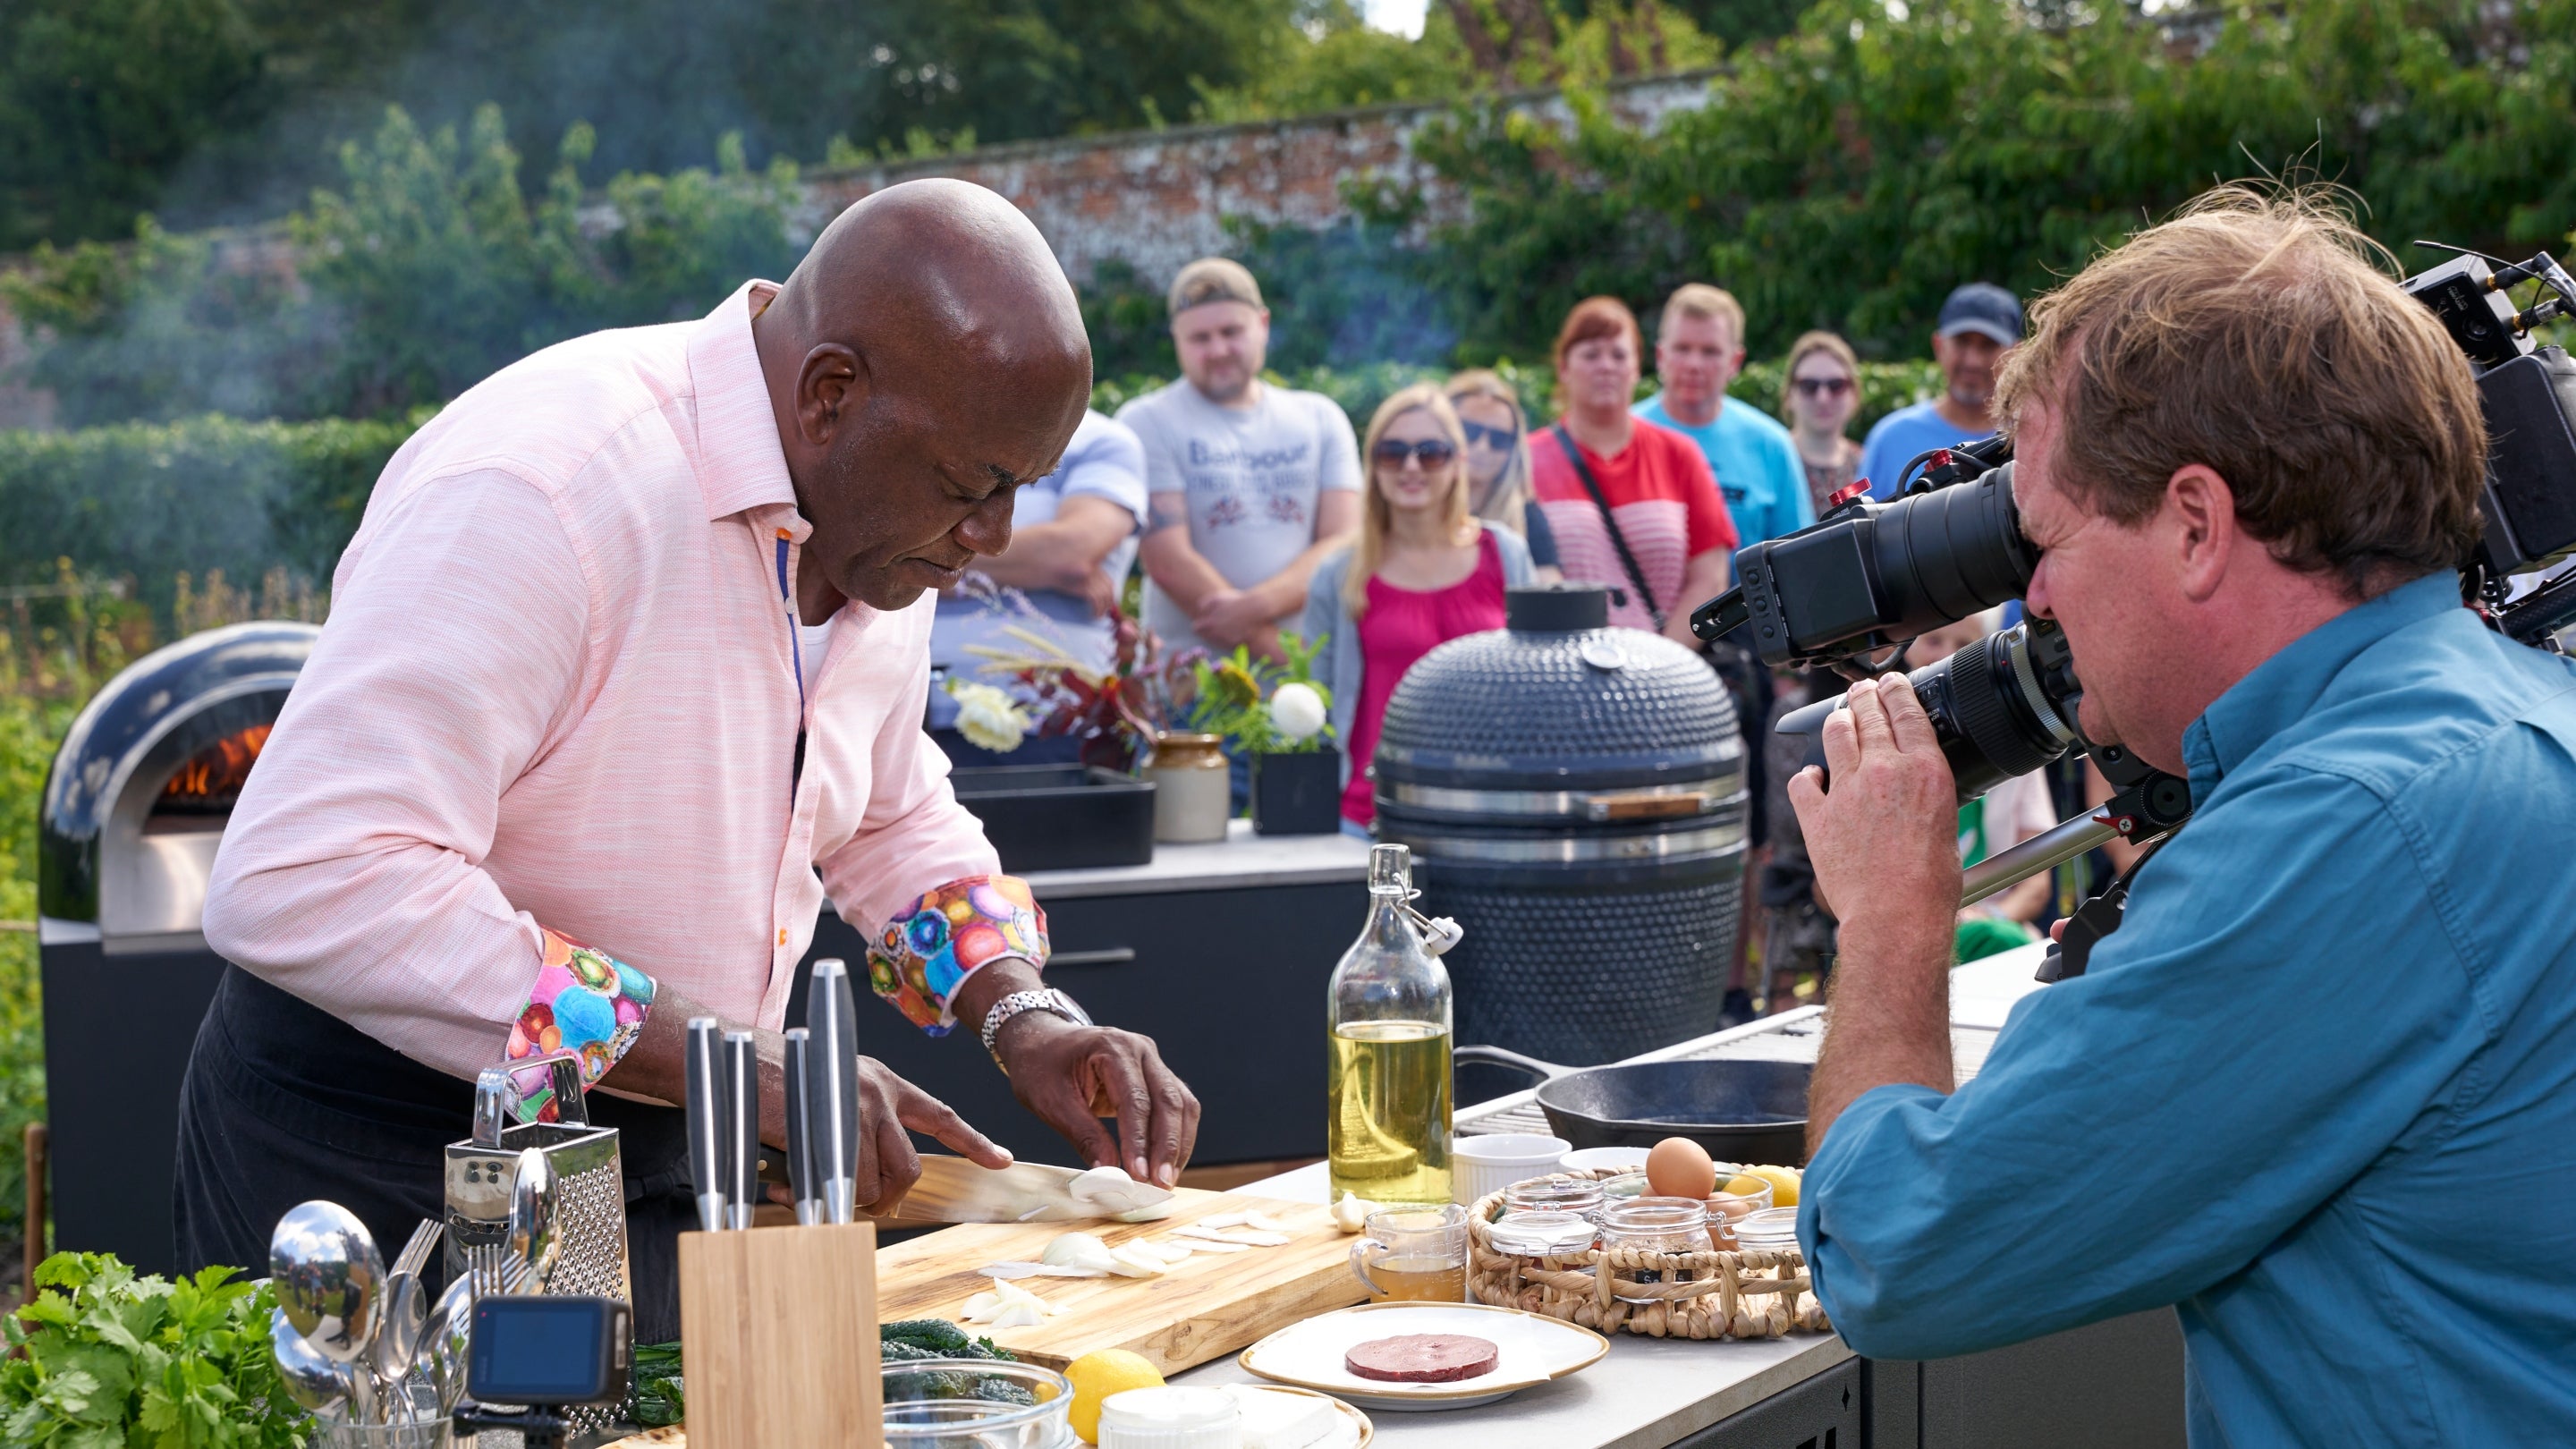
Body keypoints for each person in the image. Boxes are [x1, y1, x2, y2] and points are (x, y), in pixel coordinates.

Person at [183, 180, 1201, 1341]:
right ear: (830, 396)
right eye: (976, 488)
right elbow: (310, 875)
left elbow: (879, 806)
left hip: (633, 1141)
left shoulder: (884, 512)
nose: (996, 540)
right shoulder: (543, 489)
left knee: (629, 1427)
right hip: (388, 1150)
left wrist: (1021, 1009)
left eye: (1022, 489)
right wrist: (730, 1060)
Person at [1789, 188, 2576, 1442]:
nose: (2033, 597)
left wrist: (1890, 915)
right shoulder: (2511, 713)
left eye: (2040, 538)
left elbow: (1896, 1252)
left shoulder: (2347, 827)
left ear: (2200, 527)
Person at [1301, 385, 1538, 833]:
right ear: (1372, 466)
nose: (1411, 466)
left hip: (1491, 812)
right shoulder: (1339, 573)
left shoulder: (1505, 554)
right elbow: (1319, 700)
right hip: (1370, 816)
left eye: (1430, 452)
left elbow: (1536, 687)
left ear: (1458, 463)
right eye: (1392, 453)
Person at [1123, 258, 1363, 664]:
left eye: (1231, 332)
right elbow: (1167, 561)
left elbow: (1341, 543)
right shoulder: (1147, 420)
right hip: (1195, 687)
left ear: (1263, 325)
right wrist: (1288, 665)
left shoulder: (1321, 417)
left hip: (1307, 679)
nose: (1217, 350)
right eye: (1199, 338)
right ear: (1176, 338)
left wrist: (1252, 611)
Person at [928, 408, 1148, 765]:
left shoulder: (1103, 440)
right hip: (919, 714)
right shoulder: (926, 425)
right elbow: (875, 551)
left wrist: (930, 557)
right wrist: (1041, 563)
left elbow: (1069, 553)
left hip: (1061, 720)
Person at [1527, 296, 1738, 649]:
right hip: (1557, 678)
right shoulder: (1528, 460)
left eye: (1619, 355)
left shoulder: (1679, 455)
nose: (1606, 366)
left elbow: (1710, 579)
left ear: (1637, 367)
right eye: (1591, 355)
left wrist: (1660, 666)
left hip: (1663, 675)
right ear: (1564, 368)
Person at [1634, 284, 1815, 545]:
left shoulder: (1770, 444)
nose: (1694, 365)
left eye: (1710, 352)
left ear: (1735, 361)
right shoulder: (1623, 436)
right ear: (1660, 355)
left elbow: (1800, 558)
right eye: (1682, 349)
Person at [1857, 282, 2021, 499]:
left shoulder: (2030, 437)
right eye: (1961, 343)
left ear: (2016, 353)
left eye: (1988, 345)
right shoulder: (1890, 439)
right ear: (1939, 346)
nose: (1973, 360)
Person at [1442, 369, 1562, 580]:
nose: (1482, 447)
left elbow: (1549, 594)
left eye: (1499, 439)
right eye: (1470, 430)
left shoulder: (1527, 516)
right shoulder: (1411, 506)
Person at [1781, 330, 1866, 515]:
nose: (1823, 398)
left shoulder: (1866, 463)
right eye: (1809, 386)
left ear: (1854, 394)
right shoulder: (1774, 459)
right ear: (1789, 394)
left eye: (1836, 386)